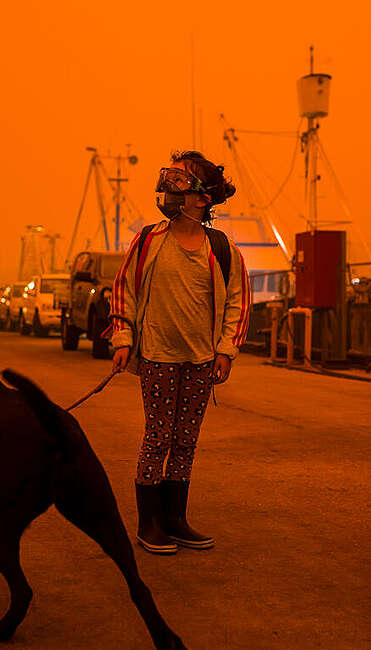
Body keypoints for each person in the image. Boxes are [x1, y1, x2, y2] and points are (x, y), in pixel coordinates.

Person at [107, 151, 250, 554]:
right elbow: (124, 290)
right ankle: (148, 522)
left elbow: (238, 300)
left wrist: (226, 350)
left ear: (201, 199)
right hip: (157, 356)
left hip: (202, 361)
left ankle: (175, 518)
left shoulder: (221, 249)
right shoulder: (150, 239)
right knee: (158, 436)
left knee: (186, 440)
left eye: (181, 179)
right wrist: (122, 338)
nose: (170, 184)